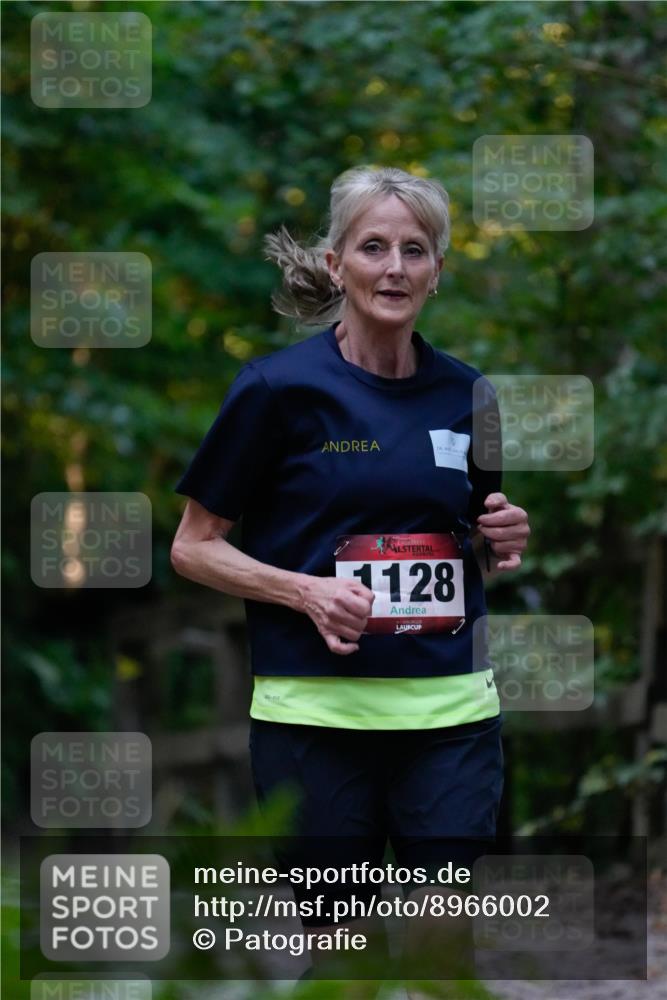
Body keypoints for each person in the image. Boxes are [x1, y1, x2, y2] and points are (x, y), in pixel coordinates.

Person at [171, 165, 530, 995]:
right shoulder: (275, 390)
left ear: (438, 269)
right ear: (337, 265)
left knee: (444, 941)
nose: (395, 267)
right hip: (314, 715)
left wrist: (503, 537)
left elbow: (470, 541)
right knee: (346, 955)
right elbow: (193, 548)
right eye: (374, 247)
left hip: (449, 713)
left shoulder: (467, 394)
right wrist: (305, 591)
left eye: (415, 250)